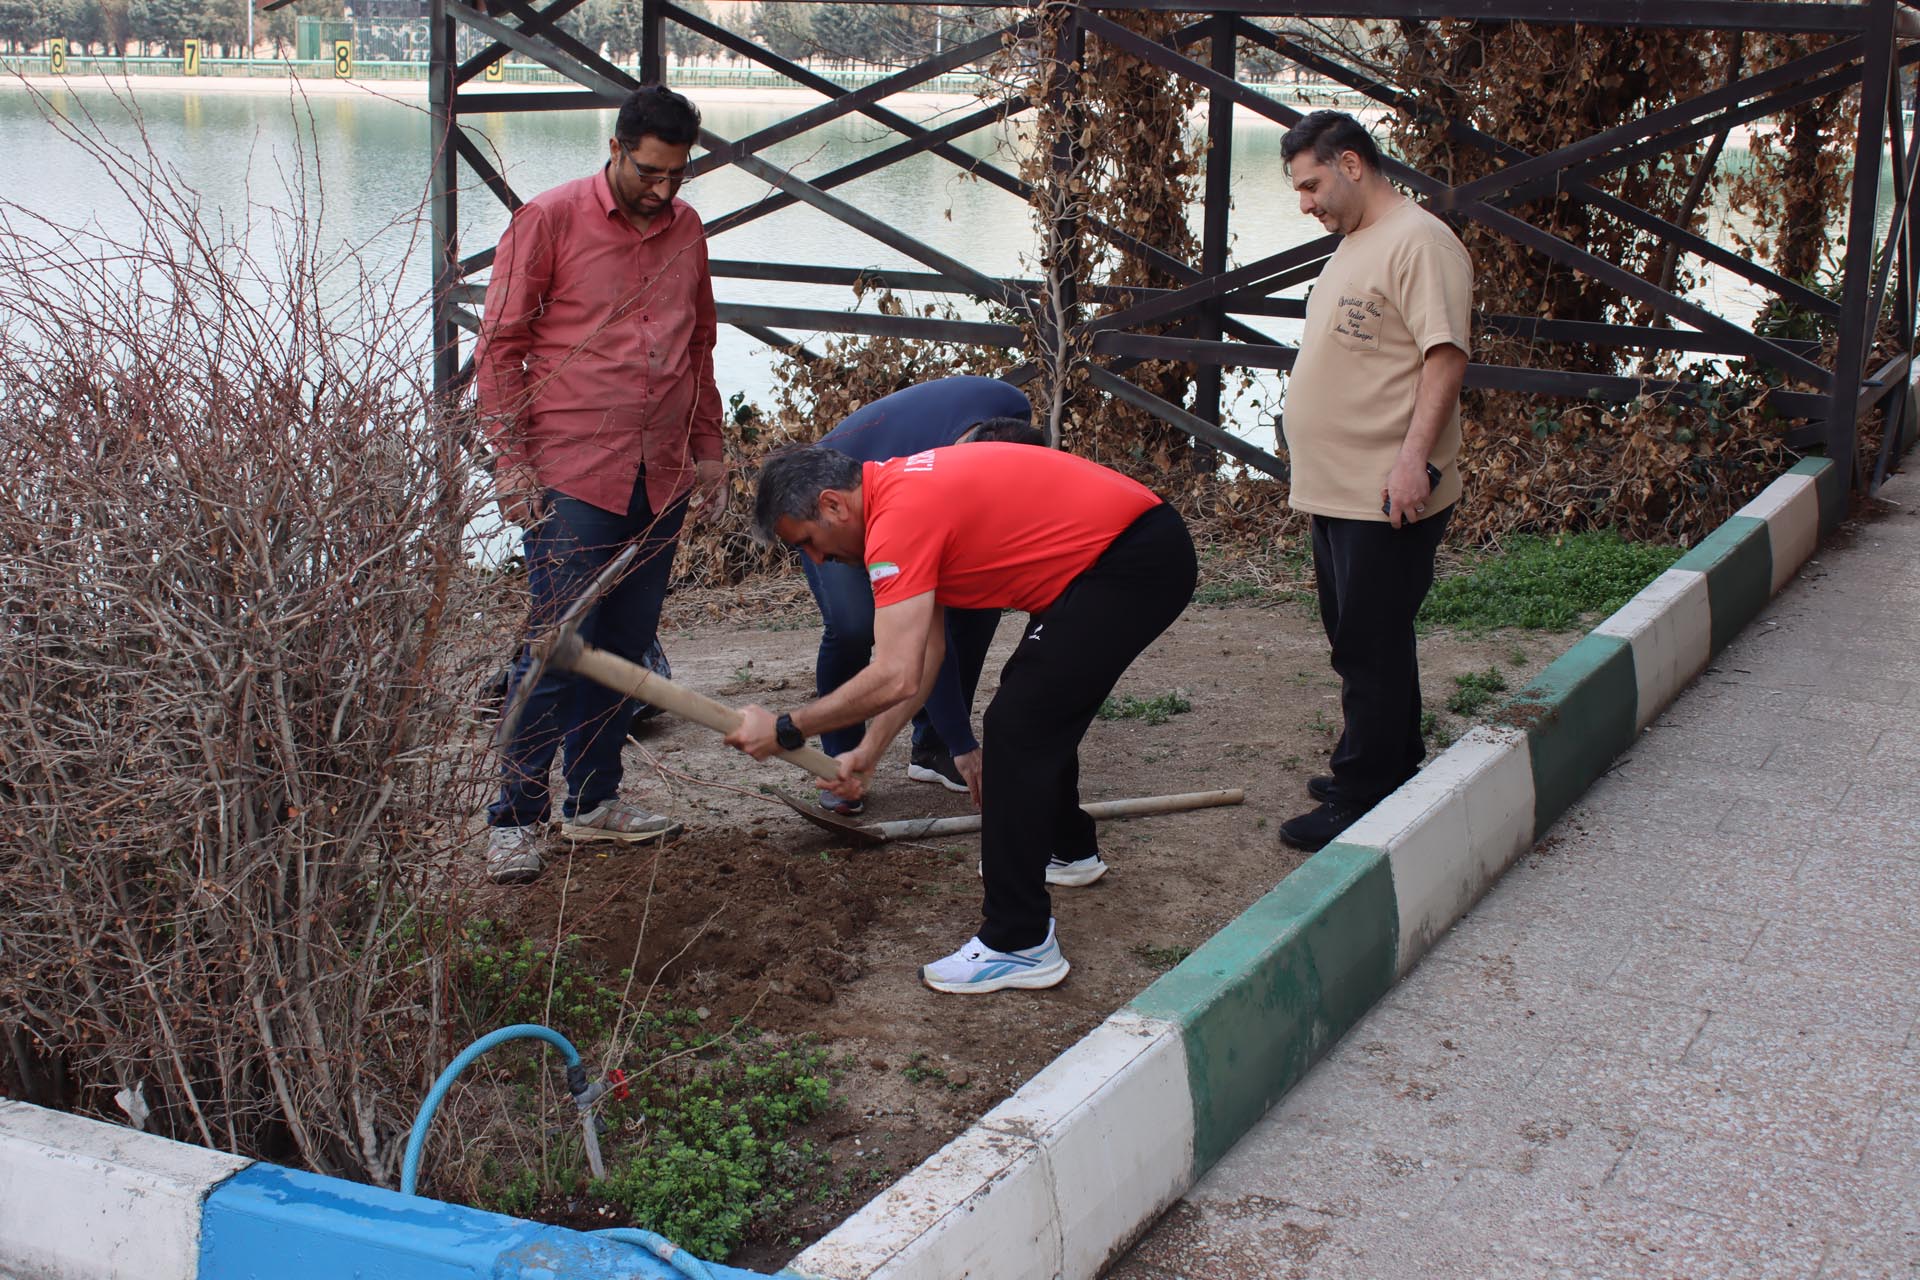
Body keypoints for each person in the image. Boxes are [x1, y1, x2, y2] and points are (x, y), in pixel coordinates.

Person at [723, 444, 1196, 995]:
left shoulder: (897, 521)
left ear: (832, 505)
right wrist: (868, 754)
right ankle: (1067, 849)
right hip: (1120, 553)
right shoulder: (897, 498)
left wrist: (787, 728)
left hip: (1128, 560)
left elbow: (894, 674)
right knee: (1034, 704)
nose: (819, 560)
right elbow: (924, 658)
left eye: (808, 541)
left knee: (1019, 723)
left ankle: (1019, 941)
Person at [474, 84, 727, 885]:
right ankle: (514, 819)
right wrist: (512, 464)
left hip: (662, 476)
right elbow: (498, 351)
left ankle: (593, 802)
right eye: (649, 172)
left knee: (624, 648)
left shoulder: (687, 229)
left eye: (677, 174)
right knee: (555, 649)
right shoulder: (546, 220)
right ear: (615, 149)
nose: (662, 189)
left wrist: (709, 448)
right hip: (572, 475)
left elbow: (700, 346)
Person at [1277, 110, 1472, 852]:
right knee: (1361, 635)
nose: (1306, 204)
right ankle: (1393, 760)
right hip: (1339, 486)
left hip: (1383, 489)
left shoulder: (1421, 242)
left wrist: (1412, 461)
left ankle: (1362, 793)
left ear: (1352, 164)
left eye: (1312, 185)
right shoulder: (1359, 240)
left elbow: (1444, 357)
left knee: (1369, 643)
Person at [805, 376, 1041, 815]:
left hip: (901, 491)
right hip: (829, 497)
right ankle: (839, 765)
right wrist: (966, 742)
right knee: (853, 626)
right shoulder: (922, 478)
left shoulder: (1012, 409)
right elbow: (926, 639)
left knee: (979, 603)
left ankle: (932, 747)